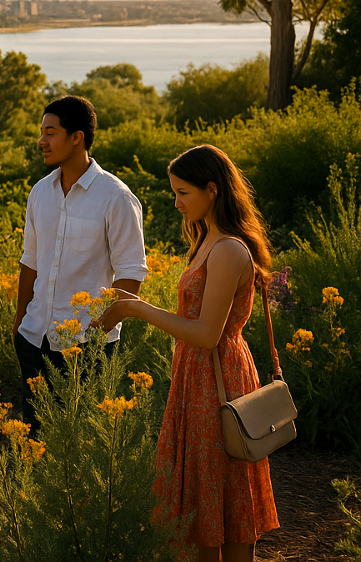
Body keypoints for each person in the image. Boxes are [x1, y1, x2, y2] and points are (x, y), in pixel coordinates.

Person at [98, 145, 278, 562]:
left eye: (183, 193)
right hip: (197, 379)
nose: (177, 203)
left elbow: (206, 335)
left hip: (218, 382)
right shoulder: (206, 241)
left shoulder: (229, 249)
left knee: (227, 498)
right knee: (203, 501)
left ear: (211, 190)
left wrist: (136, 308)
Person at [12, 95, 147, 426]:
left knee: (81, 443)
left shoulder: (116, 197)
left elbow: (130, 276)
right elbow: (30, 262)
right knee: (34, 436)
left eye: (50, 132)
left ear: (77, 138)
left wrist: (95, 335)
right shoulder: (40, 193)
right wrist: (19, 326)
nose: (41, 141)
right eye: (42, 133)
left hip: (87, 347)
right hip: (33, 339)